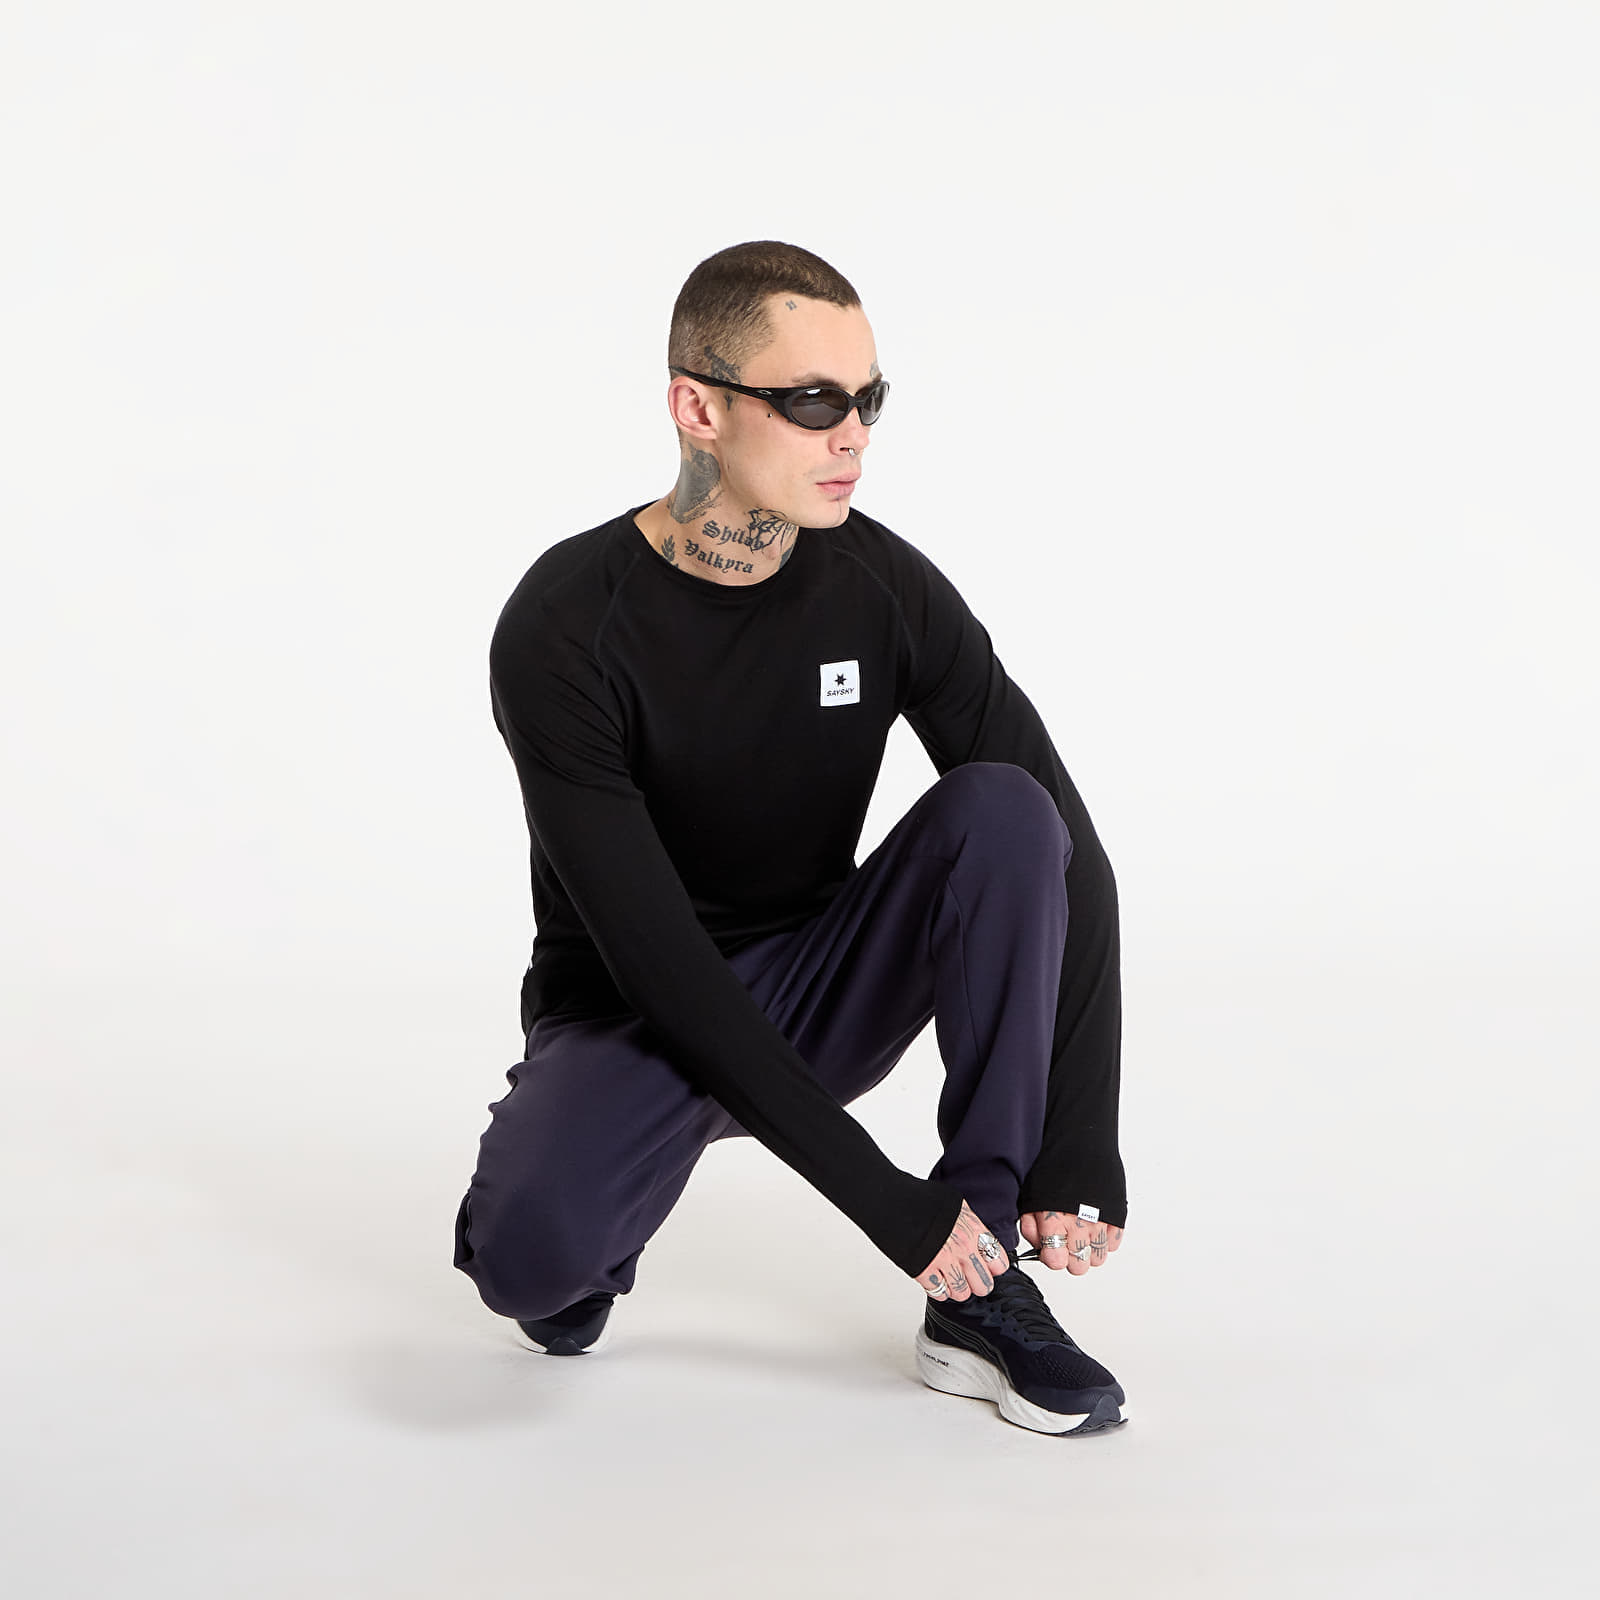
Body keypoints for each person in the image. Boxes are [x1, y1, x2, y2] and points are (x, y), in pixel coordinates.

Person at [452, 240, 1130, 1436]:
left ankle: (978, 1294)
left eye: (869, 399)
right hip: (637, 1013)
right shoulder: (565, 624)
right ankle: (604, 1206)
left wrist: (1076, 1139)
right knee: (531, 1270)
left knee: (1003, 809)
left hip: (823, 989)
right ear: (698, 407)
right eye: (814, 402)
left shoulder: (883, 586)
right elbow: (662, 967)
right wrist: (889, 1209)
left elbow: (1065, 841)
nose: (852, 436)